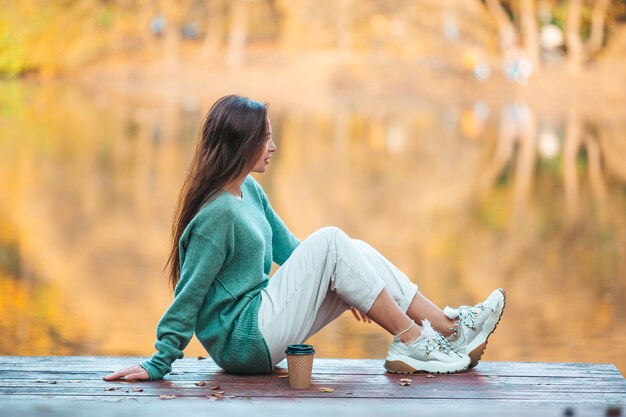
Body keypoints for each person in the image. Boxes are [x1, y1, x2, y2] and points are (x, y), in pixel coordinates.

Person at [103, 95, 506, 382]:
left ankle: (450, 328)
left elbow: (292, 252)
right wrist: (159, 362)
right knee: (333, 240)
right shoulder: (216, 214)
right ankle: (412, 340)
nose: (273, 147)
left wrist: (354, 283)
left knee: (354, 250)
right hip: (242, 341)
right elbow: (189, 295)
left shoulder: (249, 192)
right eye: (266, 139)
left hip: (263, 323)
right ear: (241, 144)